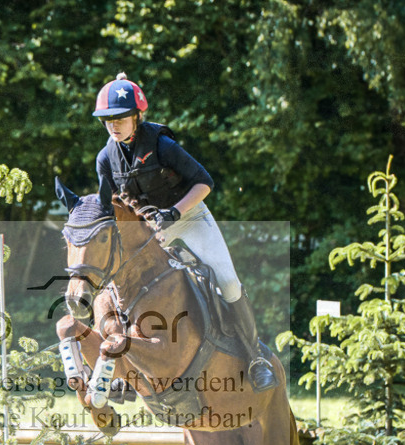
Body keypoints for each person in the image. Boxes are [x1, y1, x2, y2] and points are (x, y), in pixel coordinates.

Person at [92, 73, 278, 392]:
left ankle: (254, 357)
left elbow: (204, 182)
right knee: (120, 287)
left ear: (138, 116)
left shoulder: (162, 145)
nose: (113, 125)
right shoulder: (105, 158)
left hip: (189, 217)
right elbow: (108, 205)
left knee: (228, 282)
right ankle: (123, 366)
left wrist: (175, 212)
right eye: (107, 119)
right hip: (150, 232)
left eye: (120, 118)